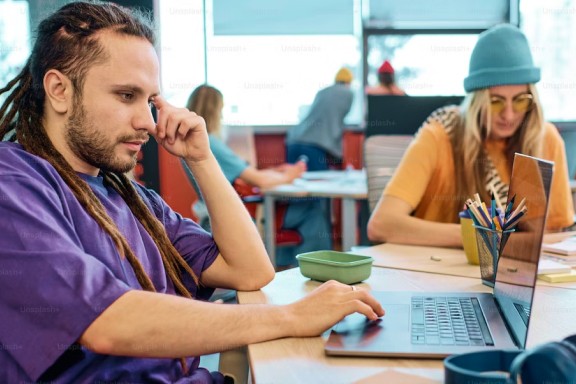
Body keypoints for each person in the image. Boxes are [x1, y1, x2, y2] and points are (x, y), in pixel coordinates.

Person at [0, 2, 384, 383]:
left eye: (150, 101)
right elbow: (106, 322)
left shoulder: (137, 203)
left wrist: (202, 159)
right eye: (125, 95)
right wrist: (292, 316)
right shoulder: (14, 182)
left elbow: (251, 271)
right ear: (59, 90)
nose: (147, 123)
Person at [367, 24, 574, 248]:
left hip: (514, 272)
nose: (509, 114)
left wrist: (508, 240)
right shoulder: (440, 134)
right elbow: (382, 225)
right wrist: (483, 236)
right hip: (435, 272)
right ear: (477, 102)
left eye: (520, 100)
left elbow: (553, 234)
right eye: (495, 102)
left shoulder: (545, 139)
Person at [186, 84, 332, 266]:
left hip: (228, 210)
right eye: (221, 110)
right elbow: (259, 180)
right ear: (215, 111)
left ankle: (294, 266)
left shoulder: (195, 142)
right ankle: (313, 270)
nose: (222, 116)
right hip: (245, 213)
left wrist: (277, 171)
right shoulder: (210, 144)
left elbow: (245, 174)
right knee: (313, 212)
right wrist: (291, 174)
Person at [286, 67, 354, 171]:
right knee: (319, 184)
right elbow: (339, 120)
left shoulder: (322, 92)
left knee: (293, 182)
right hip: (315, 147)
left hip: (294, 141)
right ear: (349, 82)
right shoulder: (347, 93)